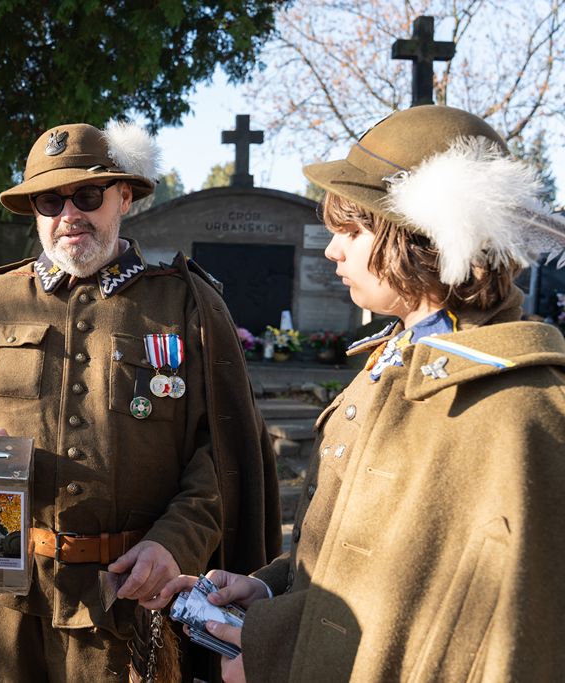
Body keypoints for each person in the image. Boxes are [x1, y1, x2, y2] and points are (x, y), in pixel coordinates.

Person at [149, 105, 565, 682]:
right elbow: (362, 554)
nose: (331, 250)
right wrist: (270, 585)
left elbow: (478, 642)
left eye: (351, 231)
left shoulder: (512, 411)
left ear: (422, 238)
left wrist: (270, 649)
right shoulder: (395, 362)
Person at [0, 121, 281, 682]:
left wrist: (176, 543)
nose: (69, 214)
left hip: (132, 605)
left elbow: (227, 451)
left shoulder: (188, 305)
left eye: (87, 196)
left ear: (125, 197)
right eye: (49, 200)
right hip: (5, 606)